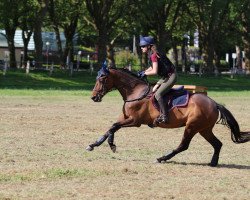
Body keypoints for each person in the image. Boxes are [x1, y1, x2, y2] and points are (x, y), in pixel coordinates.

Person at [138, 35, 177, 124]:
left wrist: (145, 73)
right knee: (154, 90)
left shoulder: (153, 55)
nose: (141, 48)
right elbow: (152, 67)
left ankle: (165, 116)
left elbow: (154, 71)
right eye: (141, 46)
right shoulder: (152, 54)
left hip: (171, 76)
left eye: (143, 46)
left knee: (158, 94)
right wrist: (143, 71)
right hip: (165, 77)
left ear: (149, 46)